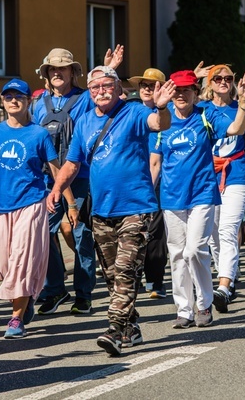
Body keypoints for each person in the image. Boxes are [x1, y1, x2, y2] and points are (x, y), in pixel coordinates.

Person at [47, 65, 175, 356]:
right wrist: (56, 189)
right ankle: (132, 326)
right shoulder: (84, 122)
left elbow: (159, 124)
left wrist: (163, 107)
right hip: (102, 211)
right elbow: (72, 163)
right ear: (90, 92)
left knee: (127, 272)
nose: (102, 91)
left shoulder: (134, 113)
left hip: (136, 207)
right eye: (96, 88)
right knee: (113, 276)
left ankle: (115, 330)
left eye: (107, 86)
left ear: (118, 89)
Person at [152, 69, 245, 329]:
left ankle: (204, 303)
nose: (182, 94)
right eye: (177, 90)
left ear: (196, 93)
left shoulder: (206, 116)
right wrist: (148, 196)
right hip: (172, 196)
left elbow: (235, 129)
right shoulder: (162, 121)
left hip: (202, 193)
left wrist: (242, 104)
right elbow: (155, 161)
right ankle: (183, 310)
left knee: (195, 249)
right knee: (176, 253)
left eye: (187, 89)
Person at [0, 79, 70, 338]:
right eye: (8, 97)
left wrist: (60, 195)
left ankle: (16, 318)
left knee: (21, 261)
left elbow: (55, 169)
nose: (13, 101)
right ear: (3, 102)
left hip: (31, 204)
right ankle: (24, 299)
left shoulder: (38, 134)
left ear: (29, 101)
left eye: (19, 96)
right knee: (4, 263)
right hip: (0, 206)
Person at [34, 47, 121, 315]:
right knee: (41, 234)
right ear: (47, 74)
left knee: (81, 234)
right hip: (48, 180)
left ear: (73, 73)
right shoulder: (38, 104)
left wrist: (110, 71)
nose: (57, 73)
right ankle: (56, 288)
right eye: (52, 69)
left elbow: (107, 101)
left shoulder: (84, 99)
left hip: (79, 177)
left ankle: (83, 294)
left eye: (63, 68)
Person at [199, 64, 245, 312]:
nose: (223, 81)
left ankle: (224, 284)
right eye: (217, 78)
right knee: (212, 234)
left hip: (236, 174)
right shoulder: (201, 110)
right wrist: (195, 77)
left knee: (229, 228)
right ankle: (226, 279)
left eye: (228, 78)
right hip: (208, 175)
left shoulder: (242, 109)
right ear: (209, 83)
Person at [128, 67, 169, 298]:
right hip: (131, 181)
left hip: (155, 184)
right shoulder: (130, 111)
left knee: (154, 232)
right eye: (143, 85)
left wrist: (148, 190)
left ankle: (155, 281)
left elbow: (156, 161)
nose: (146, 89)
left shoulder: (165, 114)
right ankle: (133, 279)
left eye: (152, 86)